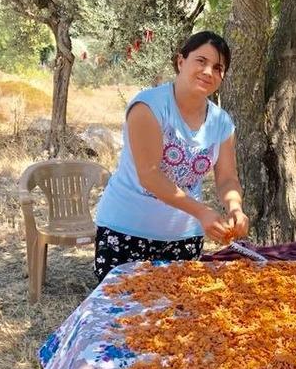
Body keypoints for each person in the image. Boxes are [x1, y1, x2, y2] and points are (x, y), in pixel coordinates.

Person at [93, 31, 249, 282]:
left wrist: (235, 208)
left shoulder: (222, 122)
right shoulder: (148, 107)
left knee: (180, 315)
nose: (208, 71)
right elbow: (150, 176)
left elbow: (227, 179)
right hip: (126, 233)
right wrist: (202, 212)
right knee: (123, 317)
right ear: (180, 62)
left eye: (218, 67)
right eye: (201, 61)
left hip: (184, 239)